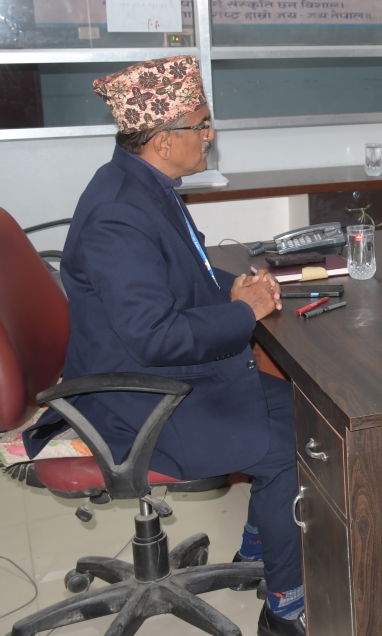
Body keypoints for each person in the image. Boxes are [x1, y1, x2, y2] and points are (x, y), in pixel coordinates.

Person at [23, 56, 304, 636]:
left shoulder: (145, 184)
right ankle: (285, 606)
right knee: (293, 448)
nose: (210, 135)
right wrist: (242, 313)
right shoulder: (118, 216)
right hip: (136, 399)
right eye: (201, 125)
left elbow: (184, 274)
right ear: (163, 139)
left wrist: (234, 287)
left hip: (155, 374)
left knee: (305, 416)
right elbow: (155, 335)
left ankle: (258, 548)